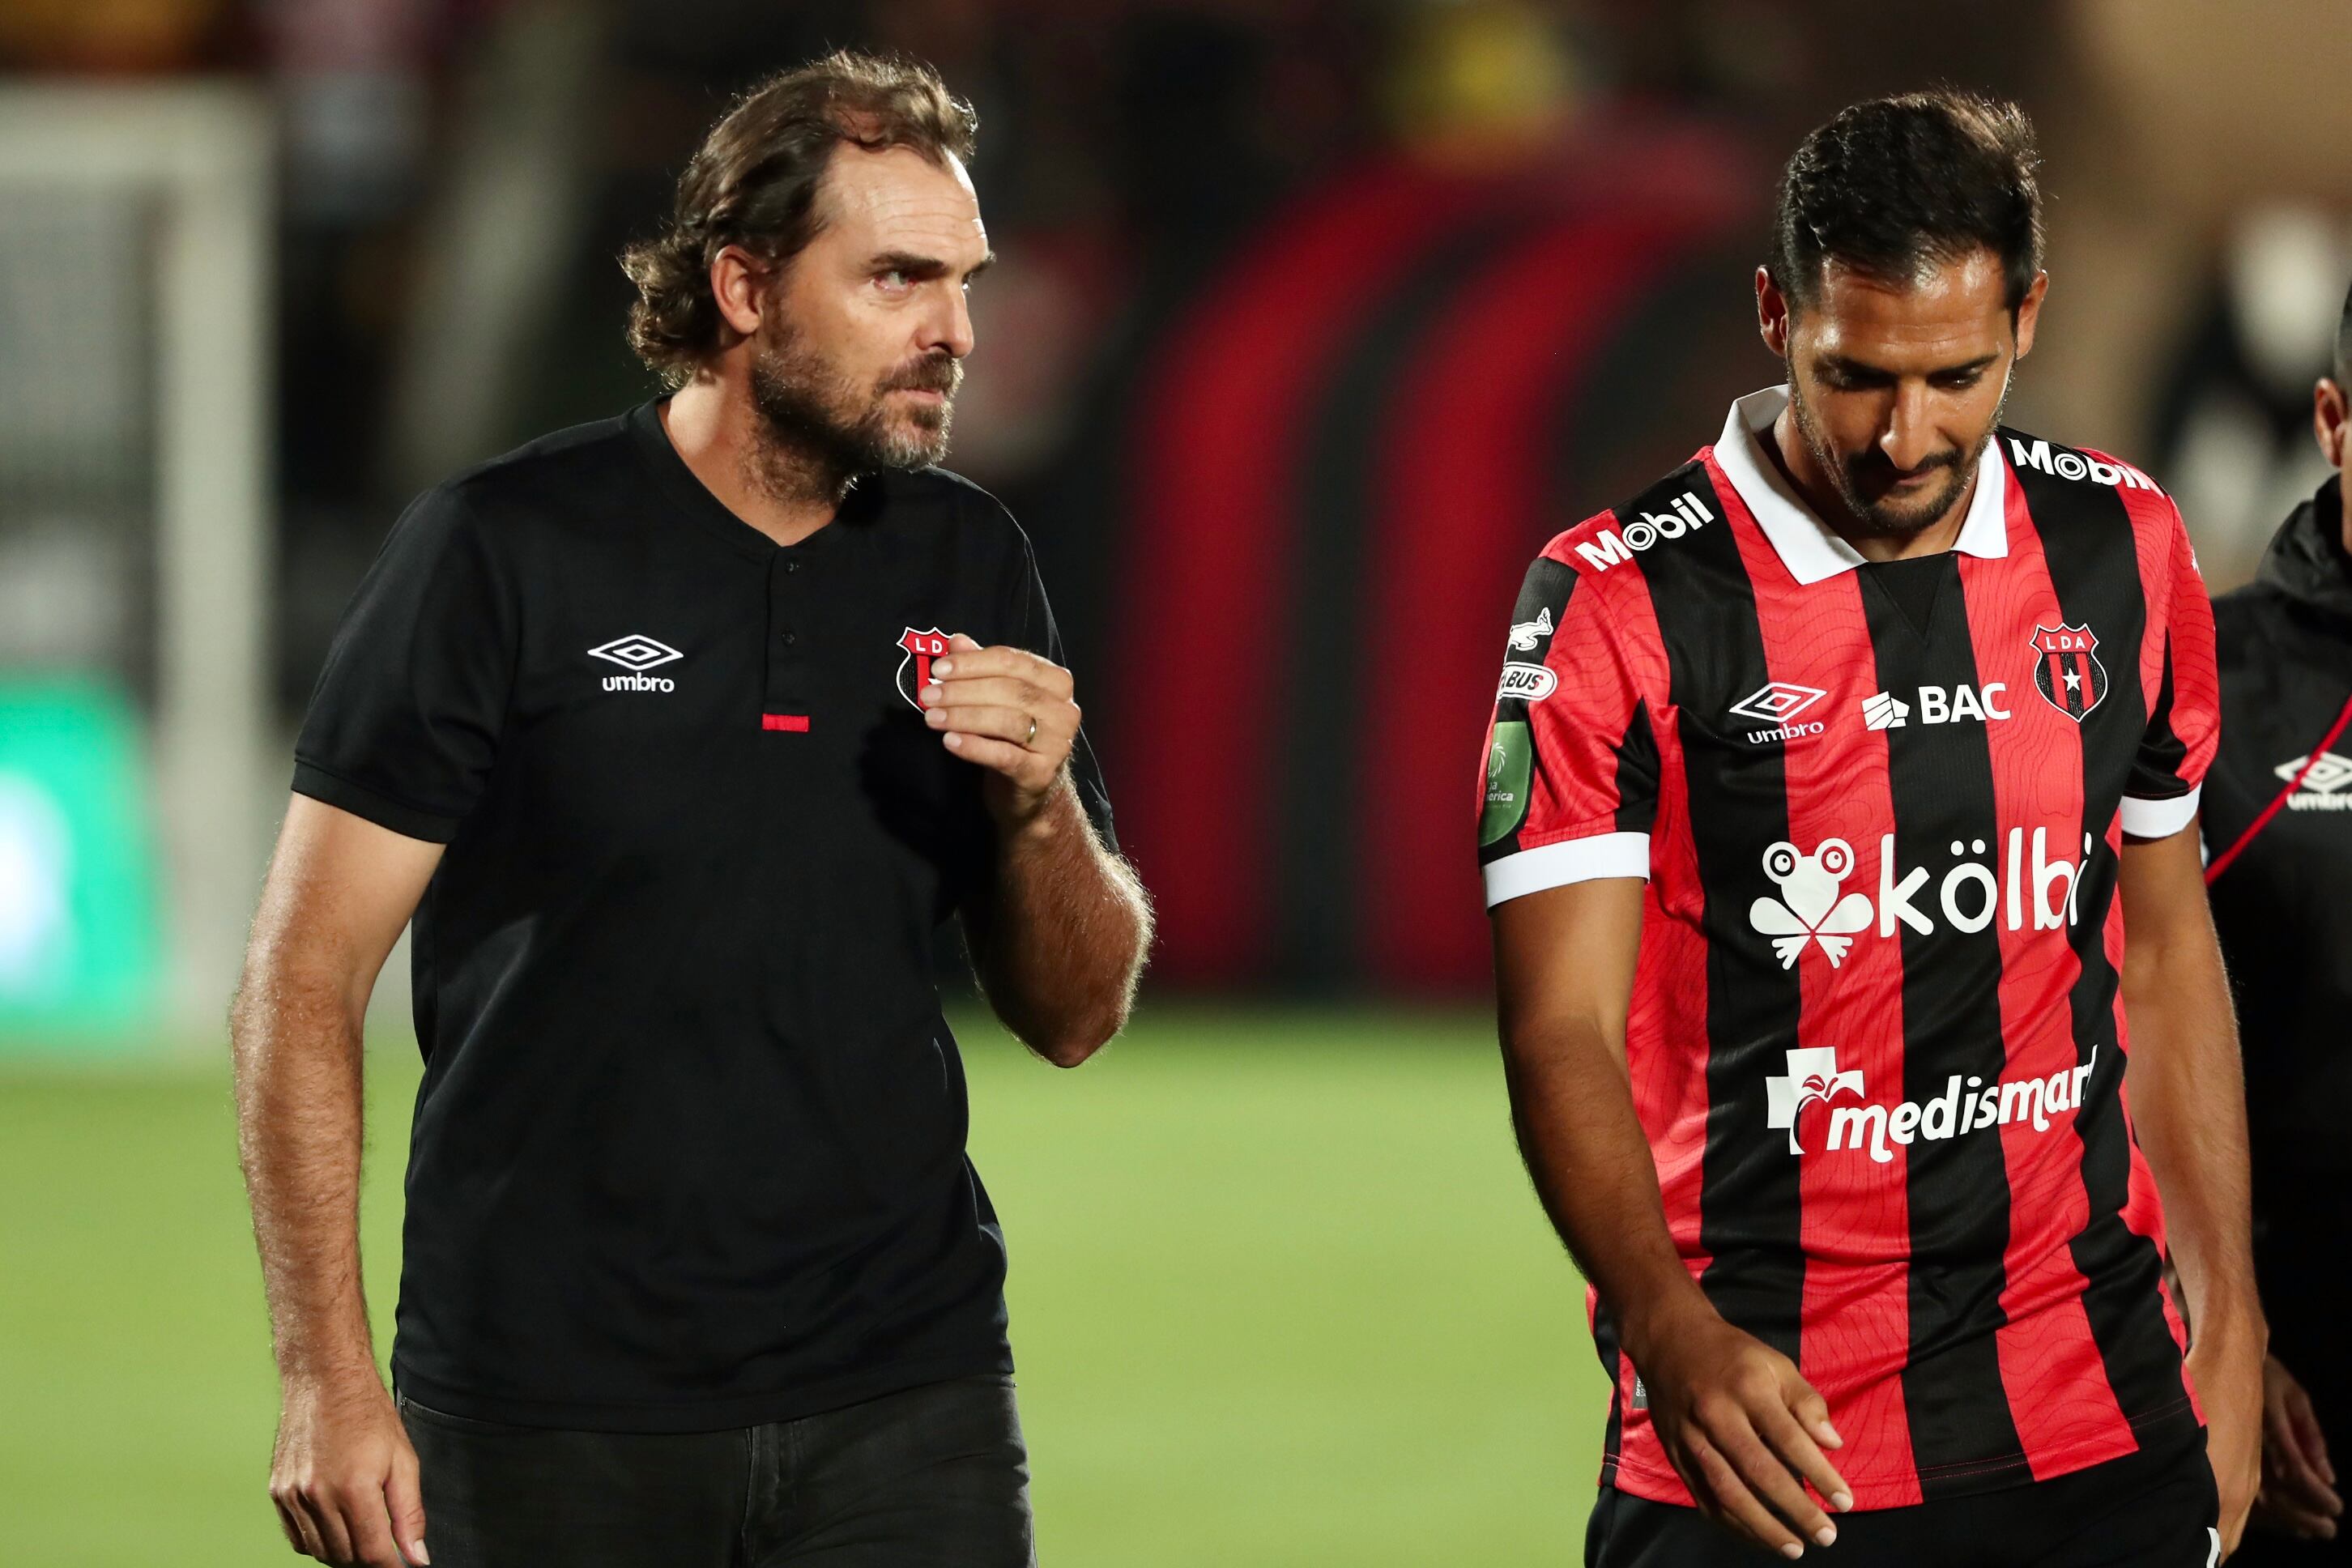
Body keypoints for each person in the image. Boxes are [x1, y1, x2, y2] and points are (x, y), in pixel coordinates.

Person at [229, 51, 1151, 1568]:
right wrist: (326, 1380)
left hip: (905, 1400)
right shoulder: (499, 552)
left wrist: (1044, 812)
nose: (958, 333)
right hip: (543, 1408)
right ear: (742, 286)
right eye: (900, 279)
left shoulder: (971, 556)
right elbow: (303, 978)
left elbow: (1074, 1014)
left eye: (967, 281)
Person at [1476, 91, 2262, 1565]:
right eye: (1856, 377)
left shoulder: (2125, 548)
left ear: (2028, 317)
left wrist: (2229, 1315)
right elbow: (1558, 1031)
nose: (1907, 436)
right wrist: (1666, 1330)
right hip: (1763, 1436)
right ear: (1777, 314)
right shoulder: (1613, 600)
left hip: (2092, 1411)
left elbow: (2159, 949)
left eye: (1957, 377)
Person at [2201, 283, 2352, 1562]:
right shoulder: (2201, 687)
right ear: (2333, 422)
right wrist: (2220, 1325)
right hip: (2299, 1416)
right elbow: (2085, 1035)